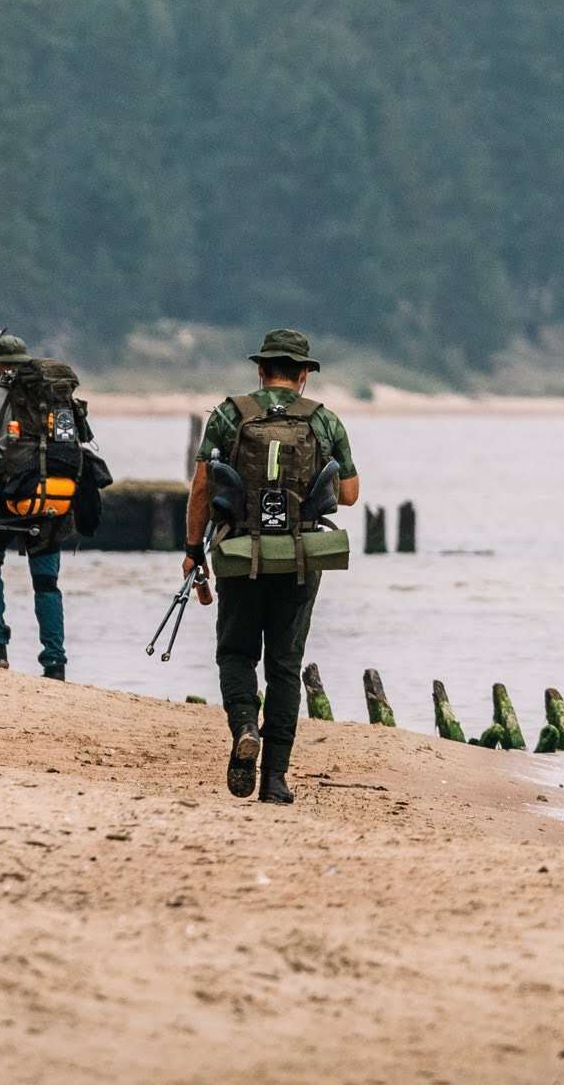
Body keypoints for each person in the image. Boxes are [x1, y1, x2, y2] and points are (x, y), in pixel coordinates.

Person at [185, 328, 360, 806]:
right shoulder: (324, 421)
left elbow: (202, 487)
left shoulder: (227, 414)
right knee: (285, 666)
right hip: (301, 558)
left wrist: (191, 550)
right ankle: (276, 780)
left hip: (239, 554)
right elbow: (348, 494)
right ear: (303, 375)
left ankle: (245, 726)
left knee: (236, 654)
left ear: (261, 370)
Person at [0, 332, 67, 678]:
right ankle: (55, 664)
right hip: (53, 495)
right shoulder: (52, 398)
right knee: (46, 582)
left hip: (12, 497)